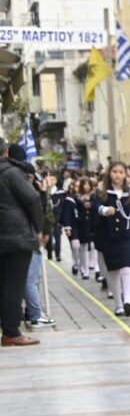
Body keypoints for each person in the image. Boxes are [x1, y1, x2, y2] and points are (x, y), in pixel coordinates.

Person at [0, 136, 42, 346]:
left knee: (4, 284)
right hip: (16, 236)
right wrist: (38, 228)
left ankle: (8, 329)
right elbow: (33, 198)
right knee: (14, 284)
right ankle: (11, 332)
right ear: (6, 152)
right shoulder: (12, 172)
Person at [92, 162, 130, 318]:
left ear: (126, 174)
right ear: (109, 173)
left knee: (128, 268)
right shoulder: (101, 192)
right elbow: (96, 206)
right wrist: (105, 210)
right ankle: (119, 304)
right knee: (113, 271)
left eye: (121, 172)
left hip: (129, 236)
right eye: (114, 171)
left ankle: (127, 301)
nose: (117, 175)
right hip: (109, 236)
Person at [63, 178, 98, 279]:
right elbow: (67, 213)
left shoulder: (94, 197)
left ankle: (95, 269)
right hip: (78, 226)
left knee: (94, 247)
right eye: (83, 185)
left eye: (88, 184)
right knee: (78, 246)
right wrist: (67, 227)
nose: (85, 187)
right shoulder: (73, 199)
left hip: (91, 225)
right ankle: (79, 265)